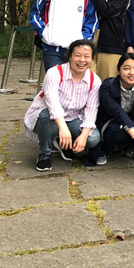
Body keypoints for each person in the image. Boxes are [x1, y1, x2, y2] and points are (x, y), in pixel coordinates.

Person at [24, 39, 102, 171]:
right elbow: (52, 103)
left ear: (92, 59)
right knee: (47, 118)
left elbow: (91, 110)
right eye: (77, 55)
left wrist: (83, 137)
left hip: (73, 117)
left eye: (87, 56)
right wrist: (63, 128)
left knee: (93, 139)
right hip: (48, 115)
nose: (82, 60)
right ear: (70, 56)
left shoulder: (94, 80)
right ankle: (44, 154)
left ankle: (63, 143)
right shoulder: (54, 73)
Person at [96, 53, 134, 165]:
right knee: (117, 131)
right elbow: (117, 112)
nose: (132, 72)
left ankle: (132, 148)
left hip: (132, 119)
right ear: (118, 70)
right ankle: (105, 150)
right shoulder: (107, 86)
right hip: (112, 121)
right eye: (126, 68)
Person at [89, 0, 130, 80]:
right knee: (85, 85)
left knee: (107, 85)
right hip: (86, 42)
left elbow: (106, 11)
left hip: (110, 45)